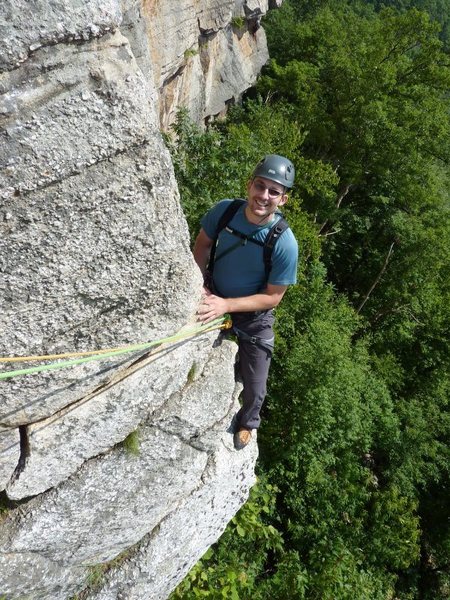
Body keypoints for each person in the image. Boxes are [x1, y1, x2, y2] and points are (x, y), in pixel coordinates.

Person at [193, 155, 298, 450]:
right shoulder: (225, 212)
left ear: (283, 199)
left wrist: (226, 306)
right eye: (260, 186)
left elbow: (273, 297)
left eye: (273, 191)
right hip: (213, 290)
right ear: (249, 184)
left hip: (254, 315)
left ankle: (248, 421)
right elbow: (202, 244)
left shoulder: (284, 242)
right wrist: (199, 284)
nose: (263, 196)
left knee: (255, 381)